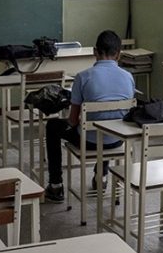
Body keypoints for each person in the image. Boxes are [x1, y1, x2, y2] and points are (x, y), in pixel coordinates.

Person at [44, 30, 135, 203]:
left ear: (95, 51)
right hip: (118, 139)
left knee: (53, 126)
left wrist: (78, 121)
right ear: (118, 54)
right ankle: (101, 177)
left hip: (89, 141)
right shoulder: (128, 77)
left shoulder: (82, 77)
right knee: (109, 123)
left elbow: (72, 120)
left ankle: (56, 186)